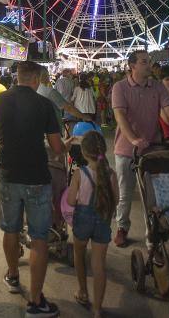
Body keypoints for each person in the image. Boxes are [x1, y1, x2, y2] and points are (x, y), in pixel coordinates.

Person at [0, 60, 63, 317]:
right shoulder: (44, 105)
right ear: (36, 79)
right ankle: (35, 300)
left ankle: (12, 275)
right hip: (36, 177)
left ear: (17, 76)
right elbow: (57, 147)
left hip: (8, 175)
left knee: (10, 229)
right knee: (39, 237)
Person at [111, 50, 169, 247]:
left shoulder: (157, 88)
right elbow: (120, 117)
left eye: (149, 61)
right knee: (125, 192)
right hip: (126, 149)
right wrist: (134, 139)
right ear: (132, 66)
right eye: (144, 62)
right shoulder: (120, 87)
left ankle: (151, 232)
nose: (149, 65)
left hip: (152, 148)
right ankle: (122, 227)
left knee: (151, 195)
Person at [67, 131, 118, 317]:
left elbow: (71, 201)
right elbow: (116, 200)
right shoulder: (111, 174)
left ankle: (82, 292)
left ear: (84, 153)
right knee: (99, 265)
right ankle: (97, 309)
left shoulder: (80, 173)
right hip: (103, 221)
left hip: (83, 221)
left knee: (79, 255)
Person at [38, 68, 95, 228]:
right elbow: (67, 107)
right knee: (57, 174)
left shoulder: (36, 92)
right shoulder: (49, 92)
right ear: (45, 76)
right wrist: (84, 116)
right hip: (53, 136)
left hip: (38, 139)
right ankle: (57, 219)